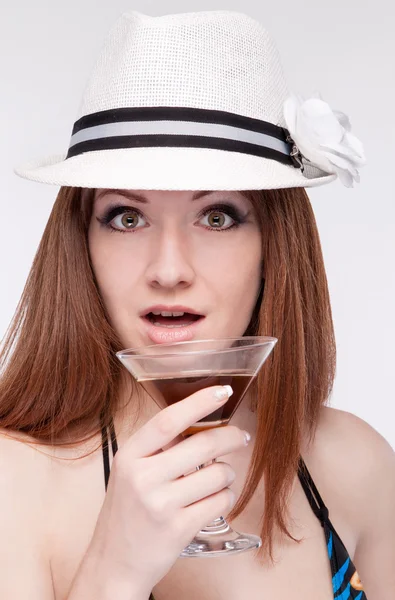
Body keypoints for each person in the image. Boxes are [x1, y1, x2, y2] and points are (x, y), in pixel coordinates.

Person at [1, 8, 394, 600]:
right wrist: (115, 571)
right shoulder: (12, 484)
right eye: (126, 218)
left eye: (217, 217)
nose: (169, 271)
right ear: (82, 243)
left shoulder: (355, 463)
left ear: (275, 246)